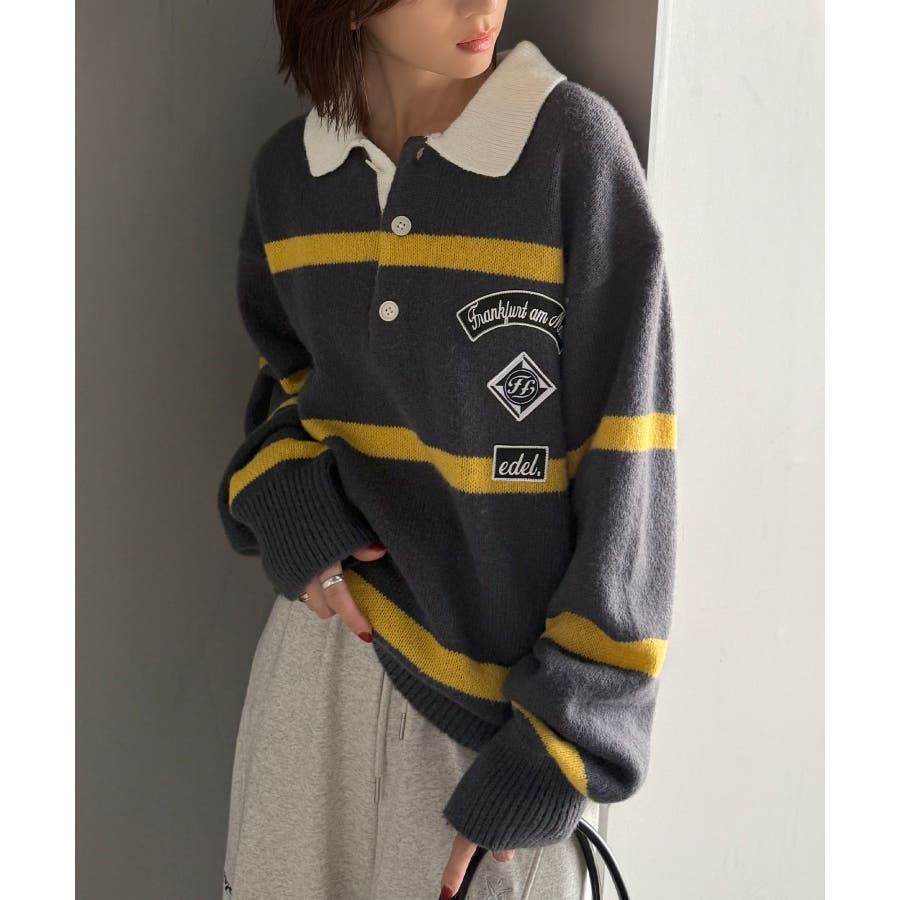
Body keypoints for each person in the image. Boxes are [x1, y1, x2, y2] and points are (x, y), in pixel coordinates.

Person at [217, 2, 678, 898]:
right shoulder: (291, 177)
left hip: (500, 720)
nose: (483, 6)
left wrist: (568, 741)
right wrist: (291, 507)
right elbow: (284, 387)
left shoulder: (570, 151)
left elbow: (632, 465)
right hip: (318, 671)